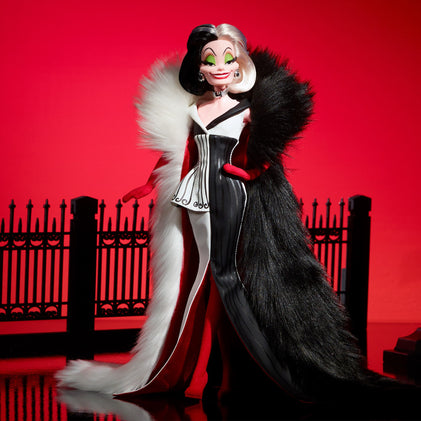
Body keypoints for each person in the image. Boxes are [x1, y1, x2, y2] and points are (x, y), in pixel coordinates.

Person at [56, 24, 414, 408]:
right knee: (201, 274)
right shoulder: (193, 110)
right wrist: (150, 185)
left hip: (231, 196)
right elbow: (182, 155)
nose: (219, 66)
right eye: (209, 60)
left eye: (228, 58)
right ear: (199, 68)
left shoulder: (246, 112)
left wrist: (250, 172)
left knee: (225, 274)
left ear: (241, 63)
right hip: (194, 197)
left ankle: (237, 372)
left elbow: (265, 160)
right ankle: (203, 368)